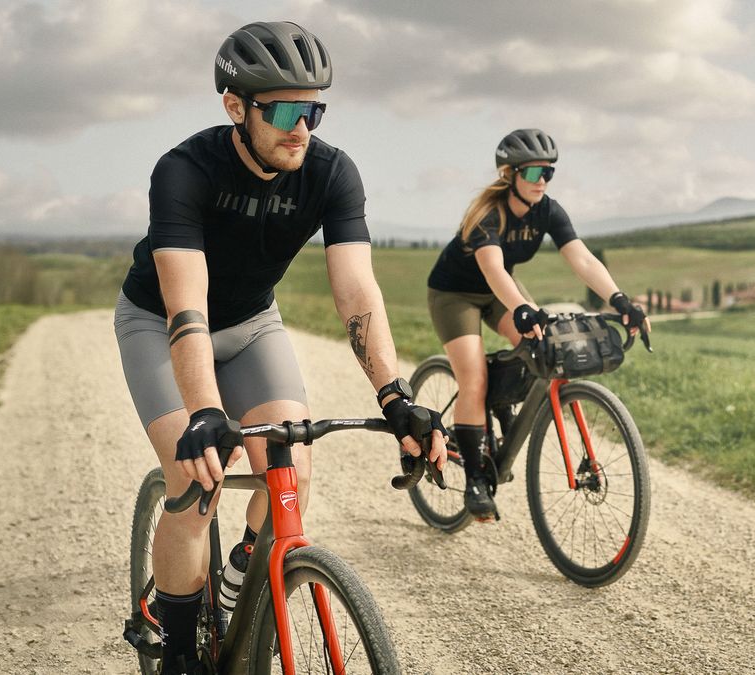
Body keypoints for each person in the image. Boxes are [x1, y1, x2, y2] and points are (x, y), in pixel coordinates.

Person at [113, 21, 447, 675]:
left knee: (290, 465)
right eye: (288, 110)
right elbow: (187, 304)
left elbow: (357, 291)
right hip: (162, 324)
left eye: (315, 109)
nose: (304, 127)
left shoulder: (330, 172)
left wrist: (395, 395)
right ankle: (179, 648)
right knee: (195, 479)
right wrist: (206, 408)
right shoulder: (184, 171)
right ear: (236, 108)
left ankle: (240, 570)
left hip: (253, 324)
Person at [426, 128, 648, 520]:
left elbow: (581, 259)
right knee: (473, 379)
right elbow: (493, 269)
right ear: (509, 174)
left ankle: (500, 399)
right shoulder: (486, 215)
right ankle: (476, 479)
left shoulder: (548, 210)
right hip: (455, 294)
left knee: (542, 345)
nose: (542, 181)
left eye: (549, 173)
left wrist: (619, 299)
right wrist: (522, 307)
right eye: (533, 173)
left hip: (501, 291)